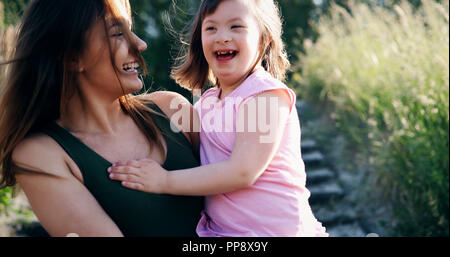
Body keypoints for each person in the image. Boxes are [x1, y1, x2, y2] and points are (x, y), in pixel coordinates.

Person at [107, 0, 328, 237]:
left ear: (263, 39)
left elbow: (243, 171)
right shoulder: (206, 104)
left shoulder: (265, 96)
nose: (222, 37)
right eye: (211, 28)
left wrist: (165, 181)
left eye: (236, 27)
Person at [0, 0, 204, 237]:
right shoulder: (40, 154)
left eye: (131, 30)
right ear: (71, 57)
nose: (140, 44)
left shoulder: (173, 110)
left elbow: (247, 191)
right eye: (118, 33)